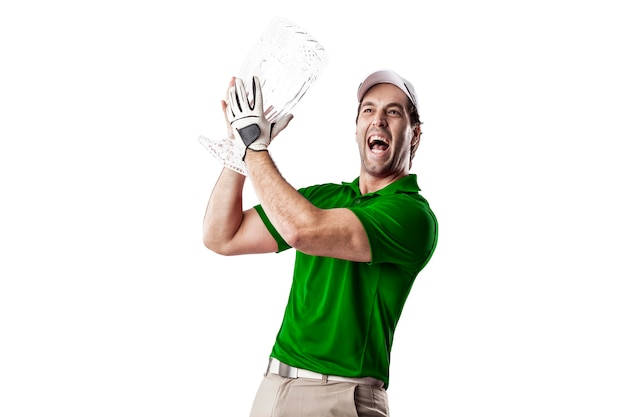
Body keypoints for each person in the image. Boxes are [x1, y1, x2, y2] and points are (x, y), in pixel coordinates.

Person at [203, 69, 438, 416]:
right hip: (273, 386)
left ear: (414, 135)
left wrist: (256, 146)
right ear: (357, 127)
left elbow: (304, 231)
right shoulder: (324, 198)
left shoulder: (412, 215)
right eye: (369, 110)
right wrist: (239, 149)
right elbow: (222, 235)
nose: (379, 120)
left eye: (393, 111)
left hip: (340, 397)